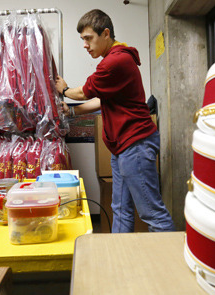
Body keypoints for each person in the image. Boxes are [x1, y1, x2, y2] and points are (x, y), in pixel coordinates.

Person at [55, 9, 175, 233]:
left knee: (152, 213)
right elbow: (103, 100)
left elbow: (85, 93)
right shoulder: (116, 59)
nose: (85, 44)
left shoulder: (115, 62)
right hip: (122, 146)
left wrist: (65, 90)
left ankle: (171, 265)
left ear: (106, 33)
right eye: (82, 39)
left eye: (89, 38)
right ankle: (119, 260)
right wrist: (71, 112)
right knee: (120, 208)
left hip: (135, 144)